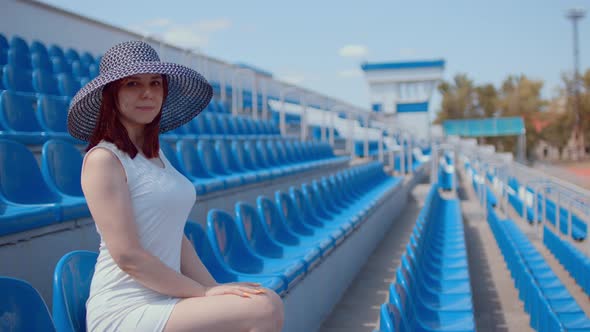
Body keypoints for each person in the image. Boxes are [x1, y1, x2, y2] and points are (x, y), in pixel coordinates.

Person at [68, 40, 284, 332]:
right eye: (133, 84)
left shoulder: (155, 156)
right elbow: (128, 257)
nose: (147, 93)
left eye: (155, 83)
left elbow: (177, 238)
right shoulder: (103, 159)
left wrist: (214, 288)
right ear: (112, 94)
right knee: (263, 307)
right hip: (126, 308)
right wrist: (204, 294)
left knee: (260, 297)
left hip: (168, 296)